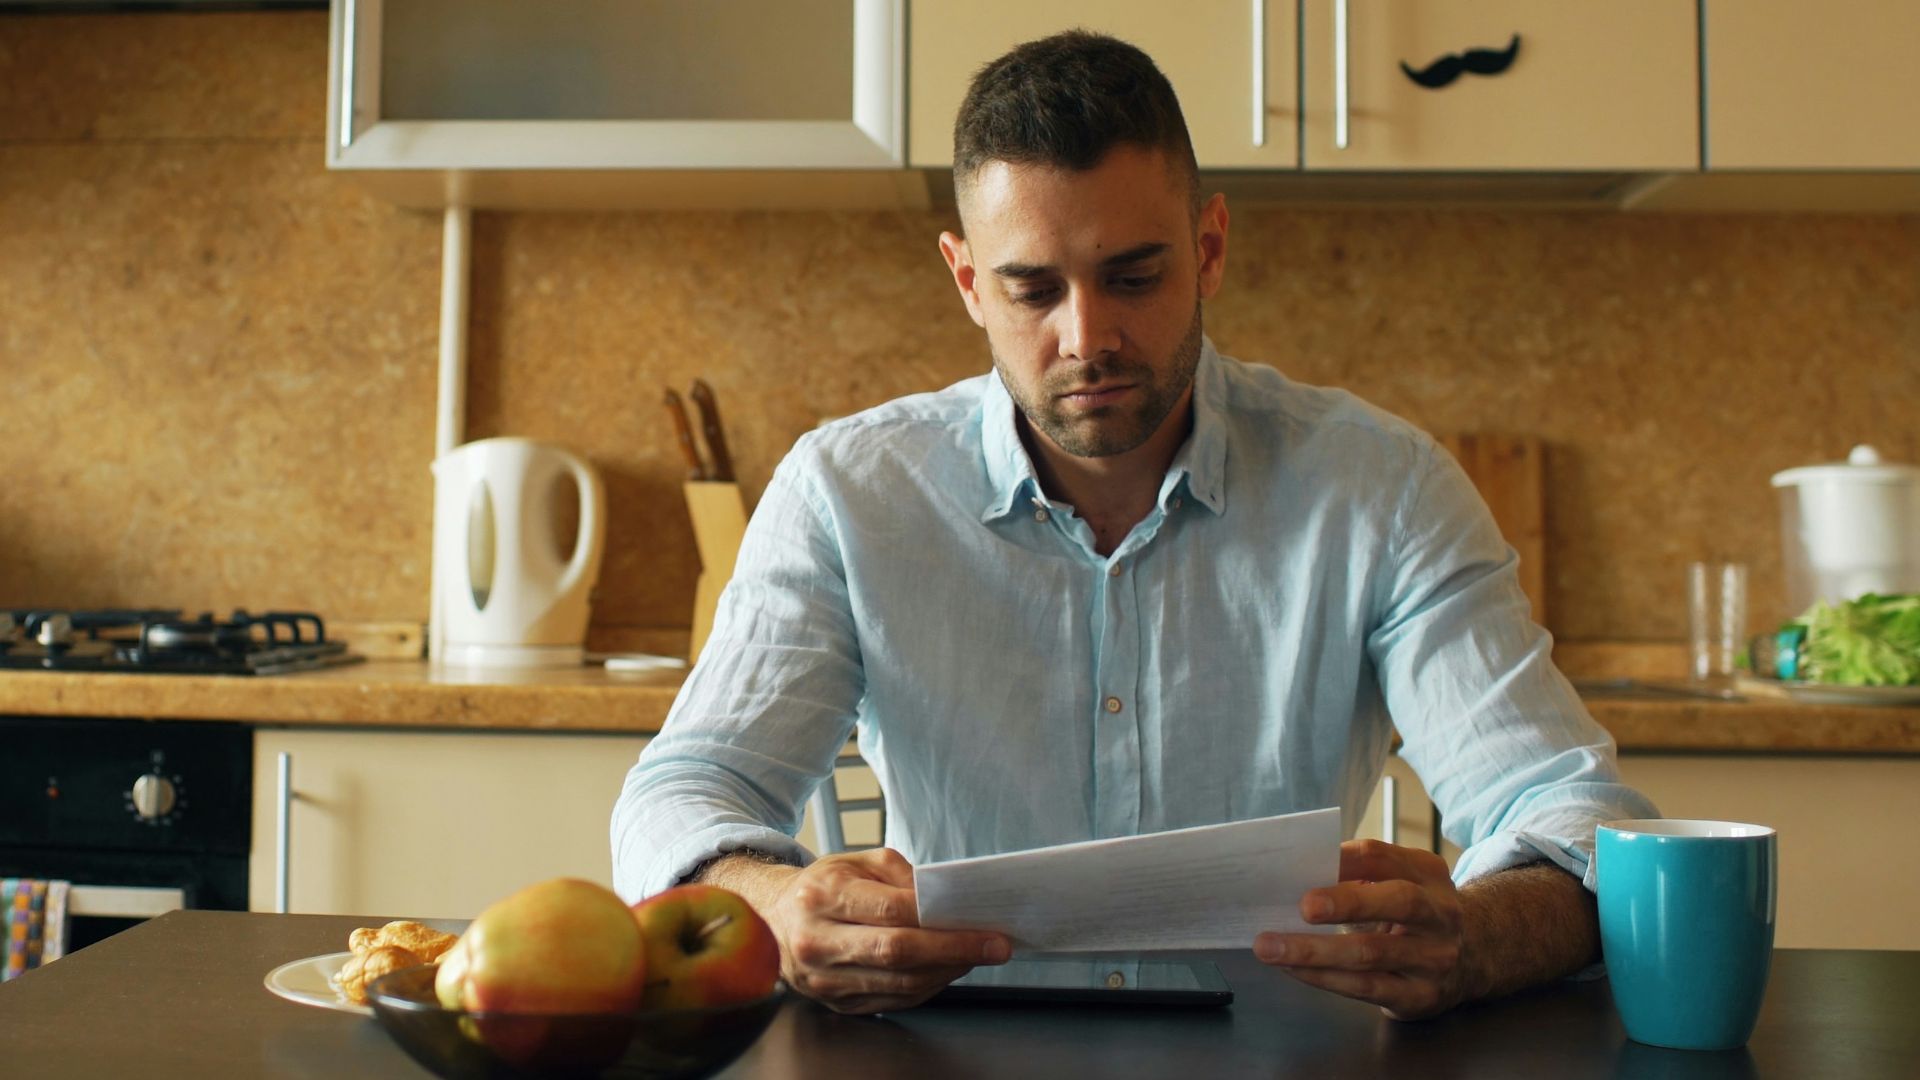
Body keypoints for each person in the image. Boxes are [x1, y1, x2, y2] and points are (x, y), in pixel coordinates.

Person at [612, 30, 1656, 1019]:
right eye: (1031, 288)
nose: (1087, 336)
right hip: (952, 1053)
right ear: (969, 282)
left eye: (1133, 276)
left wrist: (1474, 938)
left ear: (1209, 248)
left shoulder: (1383, 489)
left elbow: (1576, 815)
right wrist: (774, 901)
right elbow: (681, 793)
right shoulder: (847, 491)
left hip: (1285, 1056)